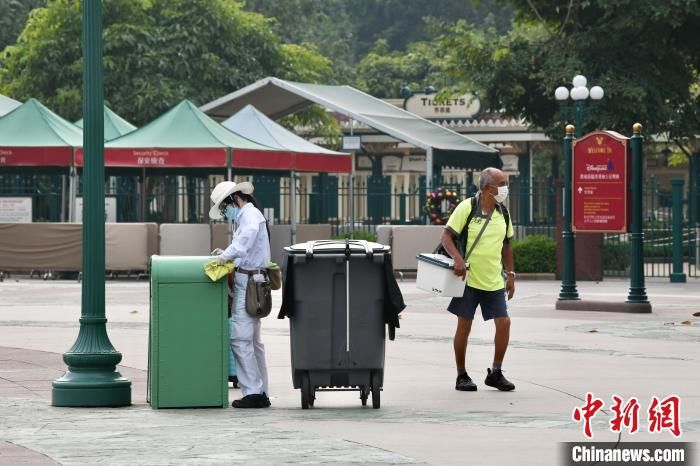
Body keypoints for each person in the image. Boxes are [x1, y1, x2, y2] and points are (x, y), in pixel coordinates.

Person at [441, 167, 516, 392]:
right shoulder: (467, 208)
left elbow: (507, 244)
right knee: (464, 325)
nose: (505, 189)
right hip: (468, 279)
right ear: (486, 188)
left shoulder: (503, 212)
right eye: (501, 184)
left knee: (504, 322)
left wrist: (510, 274)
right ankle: (461, 374)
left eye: (505, 184)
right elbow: (446, 236)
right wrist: (457, 259)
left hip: (493, 279)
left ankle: (496, 372)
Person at [209, 180, 271, 408]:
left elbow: (246, 240)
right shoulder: (249, 216)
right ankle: (261, 390)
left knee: (240, 339)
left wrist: (224, 257)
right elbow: (247, 246)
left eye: (225, 208)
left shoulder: (249, 217)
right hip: (253, 280)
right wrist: (228, 254)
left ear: (234, 199)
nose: (226, 213)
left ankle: (253, 392)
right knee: (253, 342)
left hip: (249, 283)